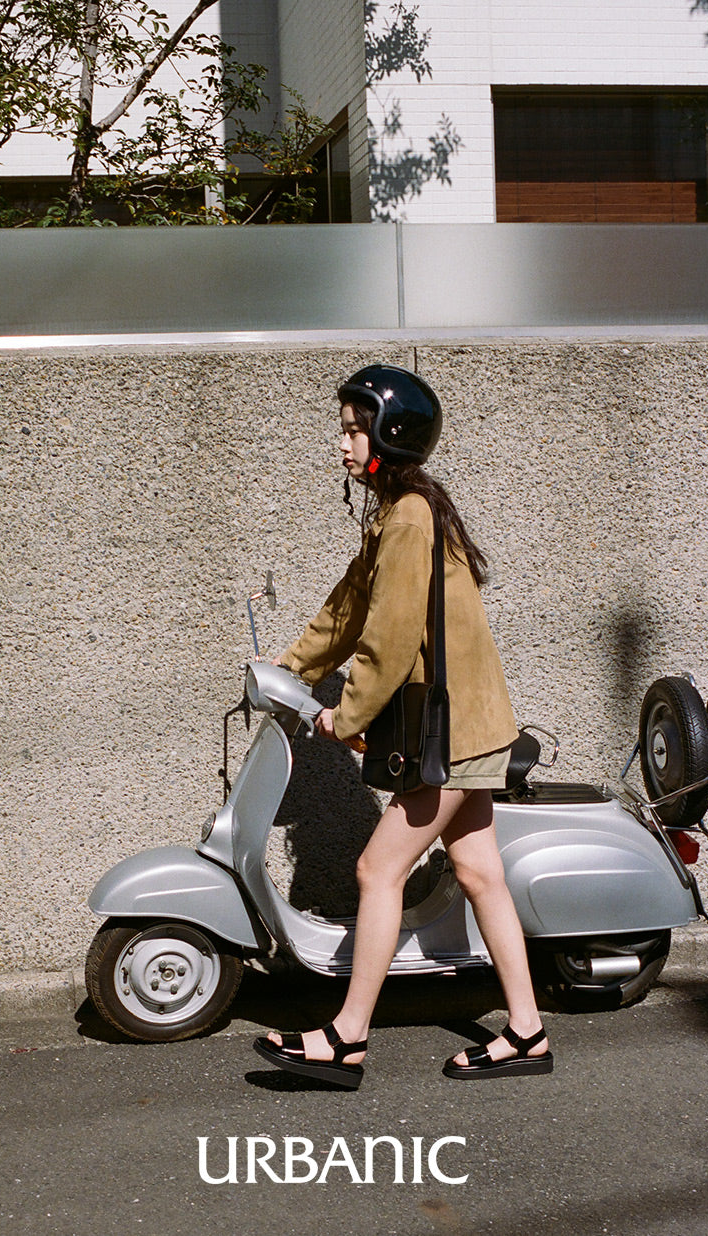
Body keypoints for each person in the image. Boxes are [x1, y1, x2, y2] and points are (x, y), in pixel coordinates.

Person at [253, 364, 552, 1089]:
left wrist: (344, 711)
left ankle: (347, 1037)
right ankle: (527, 1031)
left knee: (375, 869)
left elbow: (387, 636)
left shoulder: (410, 516)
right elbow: (350, 604)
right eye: (345, 429)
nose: (343, 444)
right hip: (471, 725)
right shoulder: (396, 511)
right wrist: (287, 663)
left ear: (391, 434)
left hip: (452, 735)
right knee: (480, 873)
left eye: (355, 430)